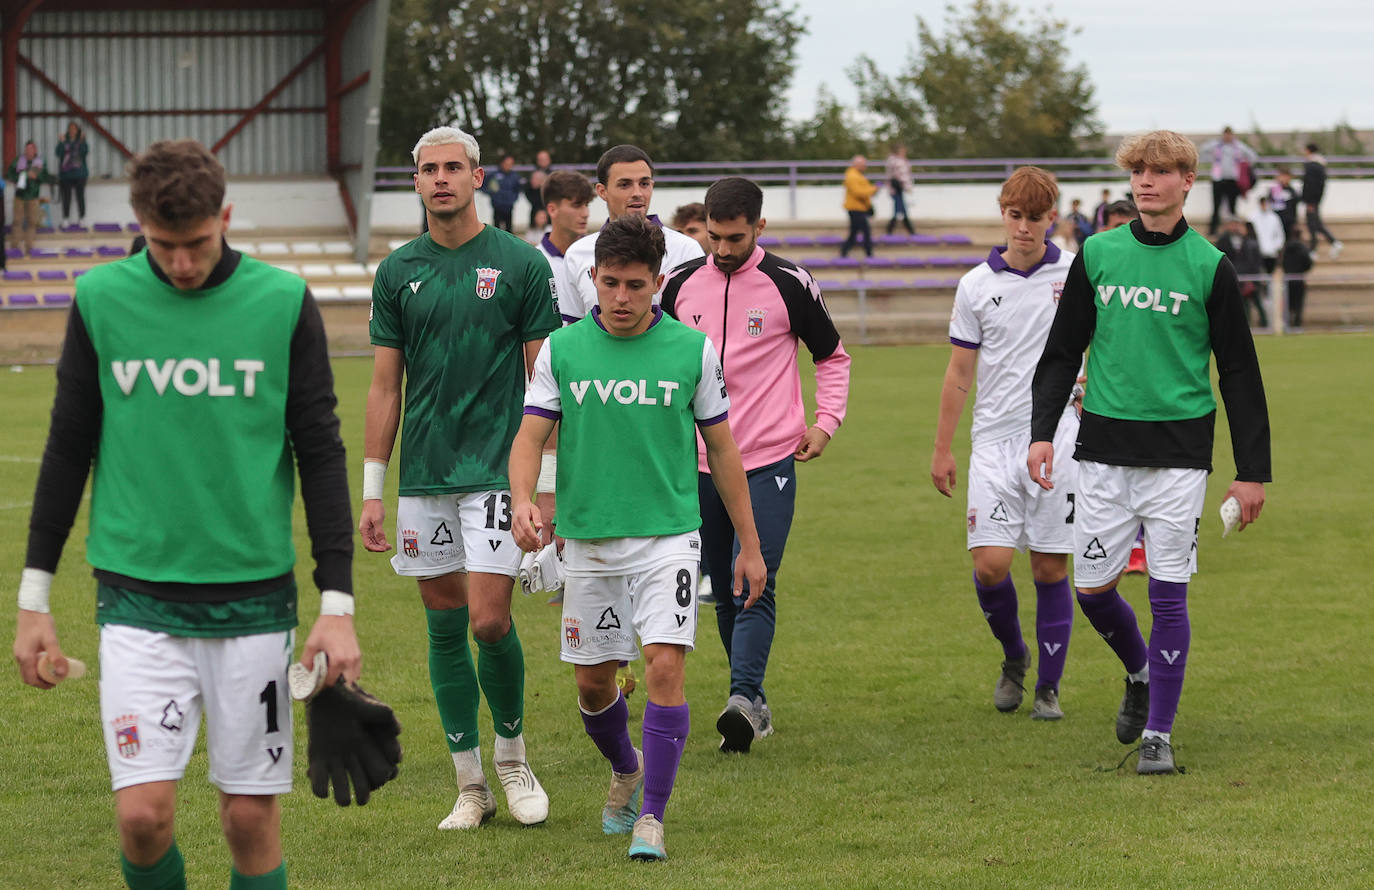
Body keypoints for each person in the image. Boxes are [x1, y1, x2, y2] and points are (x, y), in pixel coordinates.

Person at [12, 139, 373, 890]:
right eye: (165, 246)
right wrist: (33, 599)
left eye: (198, 244)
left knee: (249, 818)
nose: (182, 263)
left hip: (253, 603)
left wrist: (337, 606)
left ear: (227, 217)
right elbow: (67, 447)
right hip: (137, 600)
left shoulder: (281, 302)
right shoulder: (101, 300)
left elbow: (321, 452)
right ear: (138, 224)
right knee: (142, 817)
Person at [509, 215, 766, 861]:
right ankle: (625, 768)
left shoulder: (691, 350)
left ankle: (652, 815)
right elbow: (530, 435)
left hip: (668, 538)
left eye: (634, 285)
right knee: (594, 687)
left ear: (658, 282)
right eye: (609, 283)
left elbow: (724, 449)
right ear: (592, 279)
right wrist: (520, 499)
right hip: (588, 543)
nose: (620, 298)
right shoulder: (563, 352)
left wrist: (749, 543)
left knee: (663, 666)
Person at [1029, 130, 1270, 775]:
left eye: (1161, 172)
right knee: (1091, 590)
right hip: (1103, 451)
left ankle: (1158, 734)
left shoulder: (1210, 266)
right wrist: (1042, 432)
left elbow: (1240, 374)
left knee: (1168, 594)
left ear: (1188, 181)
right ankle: (1139, 673)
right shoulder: (1098, 254)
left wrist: (1252, 474)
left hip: (1180, 456)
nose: (1146, 182)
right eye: (1138, 171)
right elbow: (1061, 352)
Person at [360, 126, 559, 829]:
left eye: (454, 167)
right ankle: (468, 784)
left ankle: (512, 760)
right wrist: (373, 489)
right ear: (414, 183)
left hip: (501, 471)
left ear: (478, 178)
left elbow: (546, 381)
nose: (441, 178)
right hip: (425, 475)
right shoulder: (396, 272)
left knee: (489, 619)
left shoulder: (521, 265)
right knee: (443, 625)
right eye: (428, 169)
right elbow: (385, 388)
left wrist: (547, 485)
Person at [661, 176, 851, 750]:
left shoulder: (790, 282)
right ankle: (754, 702)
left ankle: (742, 697)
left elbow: (832, 357)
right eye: (714, 237)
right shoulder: (679, 284)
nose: (722, 249)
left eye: (735, 238)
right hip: (694, 465)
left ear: (759, 228)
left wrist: (825, 422)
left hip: (767, 459)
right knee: (722, 584)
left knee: (755, 578)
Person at [930, 167, 1078, 720]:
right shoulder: (975, 285)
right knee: (991, 565)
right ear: (1003, 215)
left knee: (1048, 568)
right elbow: (959, 372)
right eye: (1014, 216)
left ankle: (1049, 685)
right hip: (992, 442)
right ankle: (1014, 656)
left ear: (1051, 220)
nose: (1023, 227)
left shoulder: (1076, 274)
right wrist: (943, 449)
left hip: (1059, 435)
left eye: (1034, 218)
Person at [558, 144, 704, 323]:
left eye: (644, 184)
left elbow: (698, 325)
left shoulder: (686, 250)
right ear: (602, 191)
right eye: (625, 184)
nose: (637, 193)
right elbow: (573, 328)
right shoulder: (577, 253)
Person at [1198, 127, 1258, 235]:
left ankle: (1233, 230)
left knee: (1232, 208)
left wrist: (1244, 165)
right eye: (1226, 135)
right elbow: (1202, 149)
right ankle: (1213, 230)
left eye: (1229, 135)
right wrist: (1211, 157)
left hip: (1232, 180)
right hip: (1218, 180)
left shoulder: (1238, 146)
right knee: (1216, 207)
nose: (1227, 137)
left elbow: (1253, 156)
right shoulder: (1217, 145)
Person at [1214, 215, 1267, 327]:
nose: (1235, 227)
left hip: (1249, 277)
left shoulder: (1248, 241)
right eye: (1233, 224)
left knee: (1256, 302)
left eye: (1237, 224)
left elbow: (1255, 261)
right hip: (1234, 277)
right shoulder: (1223, 240)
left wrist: (1254, 277)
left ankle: (1263, 324)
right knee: (1242, 304)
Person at [6, 140, 53, 256]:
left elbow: (45, 177)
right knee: (17, 222)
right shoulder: (18, 161)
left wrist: (36, 176)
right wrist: (23, 175)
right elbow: (10, 175)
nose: (28, 151)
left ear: (35, 150)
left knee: (32, 223)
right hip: (19, 196)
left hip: (33, 197)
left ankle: (29, 248)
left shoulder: (41, 162)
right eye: (27, 149)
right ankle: (14, 249)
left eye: (31, 149)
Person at [1301, 142, 1342, 258]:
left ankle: (1317, 248)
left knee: (1313, 224)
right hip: (1314, 200)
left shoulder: (1312, 166)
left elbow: (1311, 185)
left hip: (1312, 201)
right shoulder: (1319, 165)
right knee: (1315, 224)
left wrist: (1310, 201)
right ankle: (1330, 243)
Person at [839, 155, 877, 258]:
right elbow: (858, 192)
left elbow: (863, 190)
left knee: (854, 233)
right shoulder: (852, 176)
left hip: (859, 208)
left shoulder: (857, 175)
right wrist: (873, 189)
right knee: (865, 231)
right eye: (864, 164)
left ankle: (844, 252)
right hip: (855, 209)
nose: (865, 166)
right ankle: (869, 254)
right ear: (857, 165)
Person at [56, 121, 89, 227]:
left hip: (80, 174)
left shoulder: (81, 140)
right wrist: (61, 142)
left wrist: (83, 141)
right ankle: (65, 218)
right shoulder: (64, 140)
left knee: (80, 197)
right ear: (68, 130)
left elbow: (85, 152)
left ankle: (82, 218)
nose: (72, 130)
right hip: (66, 175)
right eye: (70, 128)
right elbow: (58, 153)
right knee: (66, 197)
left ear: (77, 130)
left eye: (74, 128)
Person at [1281, 224, 1314, 329]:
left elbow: (1282, 262)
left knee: (1289, 302)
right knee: (1298, 303)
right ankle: (1297, 323)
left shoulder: (1286, 247)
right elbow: (1308, 262)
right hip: (1299, 277)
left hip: (1288, 278)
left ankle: (1288, 323)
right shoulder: (1303, 248)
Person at [483, 154, 524, 232]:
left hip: (509, 206)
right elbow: (484, 185)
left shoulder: (515, 176)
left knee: (509, 230)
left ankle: (508, 244)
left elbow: (518, 189)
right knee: (496, 229)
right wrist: (492, 193)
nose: (508, 166)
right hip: (497, 206)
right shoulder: (493, 175)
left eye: (510, 164)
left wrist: (513, 199)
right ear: (501, 163)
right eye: (506, 163)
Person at [885, 143, 915, 235]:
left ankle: (892, 230)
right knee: (900, 209)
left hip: (897, 188)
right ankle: (910, 230)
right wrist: (907, 187)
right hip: (897, 187)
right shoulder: (898, 162)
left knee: (899, 208)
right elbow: (902, 176)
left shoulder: (894, 161)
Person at [524, 149, 553, 230]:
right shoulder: (532, 175)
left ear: (549, 160)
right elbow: (527, 191)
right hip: (535, 208)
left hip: (550, 209)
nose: (542, 161)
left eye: (544, 159)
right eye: (540, 159)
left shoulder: (554, 175)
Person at [1267, 167, 1300, 237]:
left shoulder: (1292, 191)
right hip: (1277, 219)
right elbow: (1270, 202)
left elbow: (1294, 206)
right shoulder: (1274, 189)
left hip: (1289, 221)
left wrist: (1295, 222)